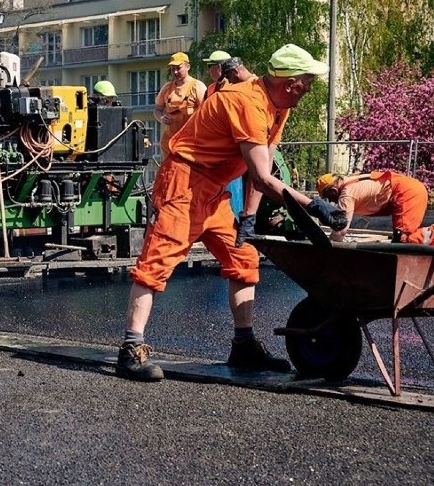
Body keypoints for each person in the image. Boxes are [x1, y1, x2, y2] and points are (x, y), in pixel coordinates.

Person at [116, 44, 348, 382]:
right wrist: (314, 205)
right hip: (184, 181)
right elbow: (263, 177)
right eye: (308, 82)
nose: (310, 88)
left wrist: (249, 218)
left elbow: (260, 168)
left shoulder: (279, 107)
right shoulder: (248, 103)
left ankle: (243, 345)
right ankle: (131, 349)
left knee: (243, 259)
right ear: (292, 82)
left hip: (215, 190)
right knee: (156, 263)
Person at [316, 171, 429, 243]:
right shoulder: (352, 180)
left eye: (327, 196)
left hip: (406, 192)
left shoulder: (347, 195)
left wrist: (327, 247)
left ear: (333, 190)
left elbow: (341, 229)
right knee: (402, 239)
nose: (329, 200)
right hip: (410, 189)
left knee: (402, 240)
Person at [154, 52, 207, 160]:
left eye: (178, 68)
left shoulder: (197, 87)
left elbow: (206, 114)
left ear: (188, 67)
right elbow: (157, 109)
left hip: (191, 145)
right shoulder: (167, 88)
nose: (175, 72)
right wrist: (161, 118)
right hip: (169, 143)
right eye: (173, 69)